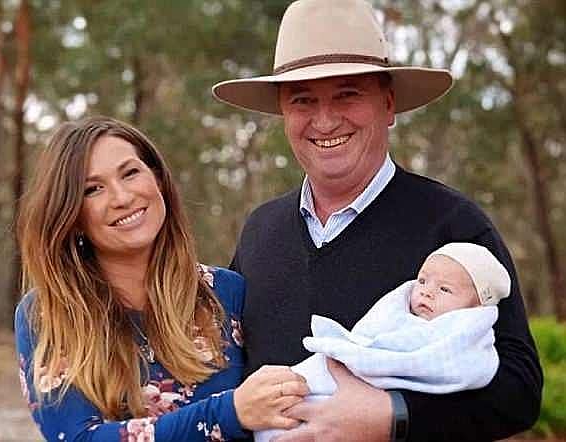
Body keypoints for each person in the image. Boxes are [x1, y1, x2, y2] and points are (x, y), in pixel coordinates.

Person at [212, 0, 542, 440]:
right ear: (282, 114)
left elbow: (519, 390)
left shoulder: (453, 226)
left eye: (347, 94)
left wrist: (393, 415)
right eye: (303, 100)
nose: (325, 120)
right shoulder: (260, 230)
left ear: (389, 105)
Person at [14, 116, 308, 442]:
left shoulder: (227, 292)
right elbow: (79, 437)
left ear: (158, 181)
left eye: (130, 173)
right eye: (93, 189)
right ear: (72, 217)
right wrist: (230, 412)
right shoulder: (47, 313)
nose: (122, 197)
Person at [256, 242, 511, 442]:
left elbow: (430, 368)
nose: (426, 291)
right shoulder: (397, 316)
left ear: (476, 306)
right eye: (422, 281)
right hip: (309, 390)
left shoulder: (459, 338)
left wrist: (392, 413)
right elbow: (369, 341)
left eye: (444, 289)